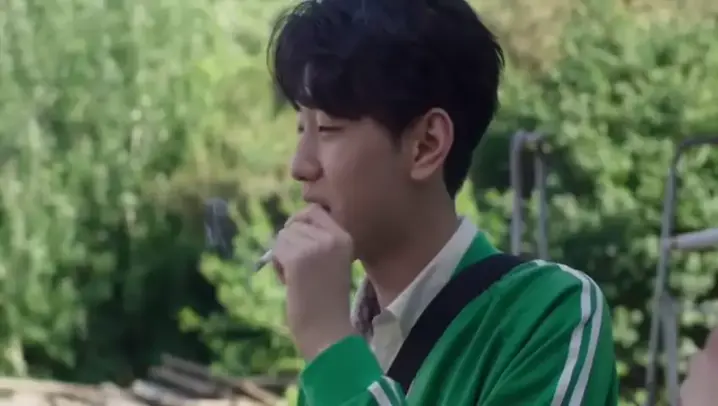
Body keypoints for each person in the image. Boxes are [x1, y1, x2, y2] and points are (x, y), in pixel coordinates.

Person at [266, 0, 619, 404]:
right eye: (301, 128)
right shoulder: (345, 342)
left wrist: (329, 343)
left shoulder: (549, 313)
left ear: (426, 145)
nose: (300, 166)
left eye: (329, 128)